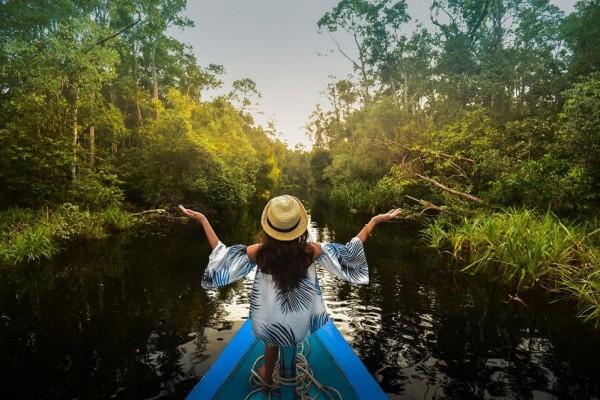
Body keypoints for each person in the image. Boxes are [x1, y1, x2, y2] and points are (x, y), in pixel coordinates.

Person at [178, 195, 401, 387]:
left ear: (268, 227)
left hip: (271, 319)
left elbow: (221, 255)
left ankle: (266, 380)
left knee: (272, 339)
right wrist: (374, 221)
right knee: (291, 331)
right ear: (300, 227)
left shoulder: (259, 252)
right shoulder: (311, 251)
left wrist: (203, 220)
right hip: (299, 317)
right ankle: (288, 373)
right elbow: (350, 252)